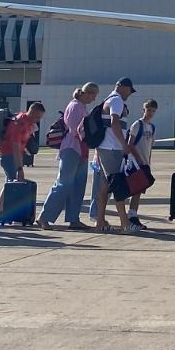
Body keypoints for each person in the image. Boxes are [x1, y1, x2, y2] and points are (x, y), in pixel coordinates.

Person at [39, 82, 97, 231]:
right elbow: (74, 130)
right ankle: (44, 217)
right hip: (71, 148)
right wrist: (90, 137)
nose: (94, 98)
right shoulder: (75, 106)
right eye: (93, 94)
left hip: (81, 150)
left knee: (78, 186)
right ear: (86, 93)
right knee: (64, 183)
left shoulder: (83, 107)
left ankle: (73, 218)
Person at [89, 77, 137, 234]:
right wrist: (124, 145)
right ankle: (124, 223)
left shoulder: (109, 100)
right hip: (112, 149)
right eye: (129, 90)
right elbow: (115, 122)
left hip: (105, 148)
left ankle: (100, 221)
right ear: (122, 87)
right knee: (118, 184)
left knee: (104, 187)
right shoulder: (117, 101)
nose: (129, 94)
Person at [124, 98, 159, 231]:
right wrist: (138, 159)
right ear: (144, 110)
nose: (150, 113)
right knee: (135, 190)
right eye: (148, 110)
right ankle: (131, 215)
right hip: (136, 163)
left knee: (139, 191)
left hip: (145, 163)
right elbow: (130, 144)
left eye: (153, 111)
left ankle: (133, 214)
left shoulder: (152, 127)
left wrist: (147, 163)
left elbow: (150, 146)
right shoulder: (137, 125)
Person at [0, 101, 45, 184]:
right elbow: (15, 145)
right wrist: (20, 168)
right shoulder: (20, 122)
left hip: (15, 156)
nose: (38, 120)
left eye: (40, 118)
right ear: (32, 112)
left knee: (11, 182)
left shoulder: (29, 124)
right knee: (13, 182)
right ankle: (8, 197)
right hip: (8, 154)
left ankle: (7, 197)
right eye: (37, 117)